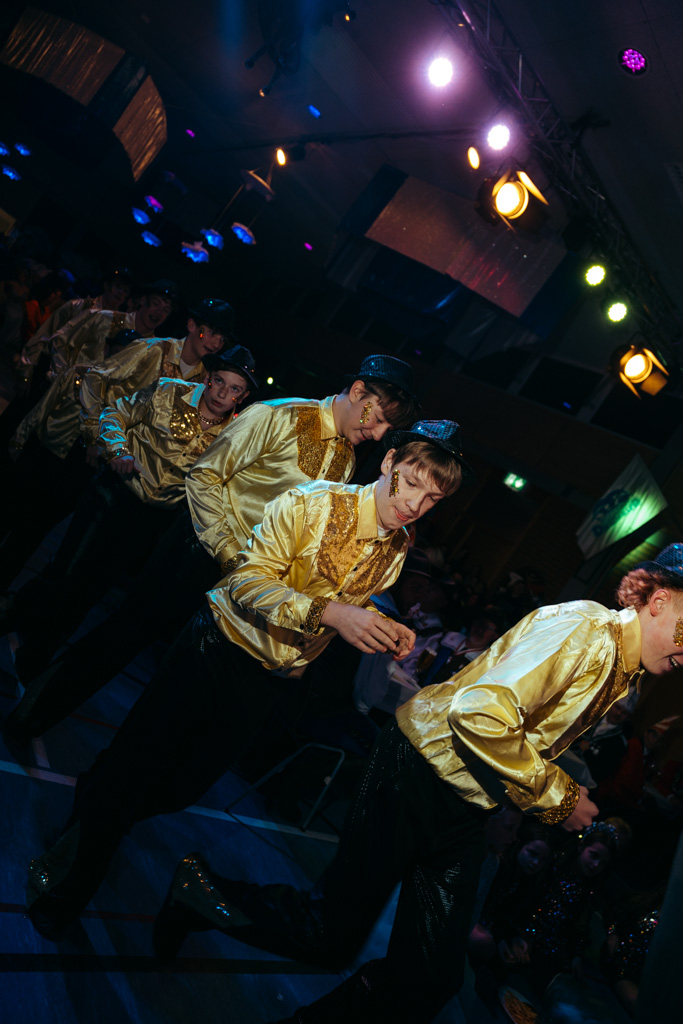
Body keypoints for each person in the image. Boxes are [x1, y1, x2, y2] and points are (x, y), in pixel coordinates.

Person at [146, 542, 683, 1024]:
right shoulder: (586, 631)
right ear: (657, 600)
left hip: (464, 802)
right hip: (420, 770)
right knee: (328, 933)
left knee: (430, 977)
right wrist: (557, 796)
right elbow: (480, 715)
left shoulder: (622, 665)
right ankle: (199, 892)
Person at [23, 420, 468, 942]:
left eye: (432, 498)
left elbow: (344, 594)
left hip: (268, 679)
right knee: (135, 769)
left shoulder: (398, 544)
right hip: (216, 648)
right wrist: (331, 615)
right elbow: (245, 580)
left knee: (182, 785)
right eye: (410, 483)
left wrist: (373, 621)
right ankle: (67, 879)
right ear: (389, 462)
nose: (415, 504)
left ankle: (97, 797)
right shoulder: (313, 503)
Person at [3, 354, 420, 727]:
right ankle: (31, 716)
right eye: (378, 419)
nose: (379, 433)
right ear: (358, 392)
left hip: (246, 581)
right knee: (121, 638)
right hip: (198, 552)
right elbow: (204, 476)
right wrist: (227, 552)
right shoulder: (279, 415)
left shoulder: (346, 458)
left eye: (388, 427)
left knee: (174, 678)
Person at [0, 345, 255, 682]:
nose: (222, 393)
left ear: (243, 396)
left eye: (234, 388)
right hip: (114, 493)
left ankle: (33, 660)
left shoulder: (234, 434)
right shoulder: (169, 390)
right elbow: (114, 414)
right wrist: (117, 449)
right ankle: (13, 620)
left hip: (150, 521)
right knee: (67, 572)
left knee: (91, 591)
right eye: (219, 381)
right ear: (208, 378)